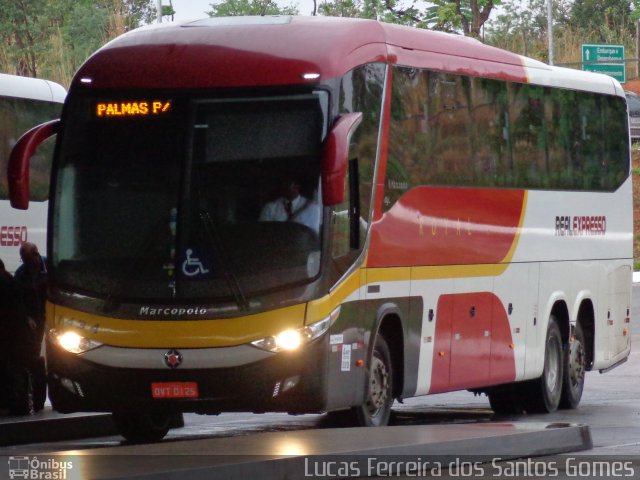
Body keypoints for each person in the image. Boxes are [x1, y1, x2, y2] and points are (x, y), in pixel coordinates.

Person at [14, 242, 48, 412]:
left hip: (51, 315)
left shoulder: (49, 267)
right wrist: (27, 317)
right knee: (35, 357)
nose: (27, 263)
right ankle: (39, 397)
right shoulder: (21, 274)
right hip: (36, 319)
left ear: (36, 254)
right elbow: (18, 299)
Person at [0, 258, 33, 415]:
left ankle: (15, 403)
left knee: (12, 371)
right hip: (18, 336)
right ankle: (19, 403)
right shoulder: (11, 280)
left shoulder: (4, 282)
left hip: (9, 336)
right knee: (16, 369)